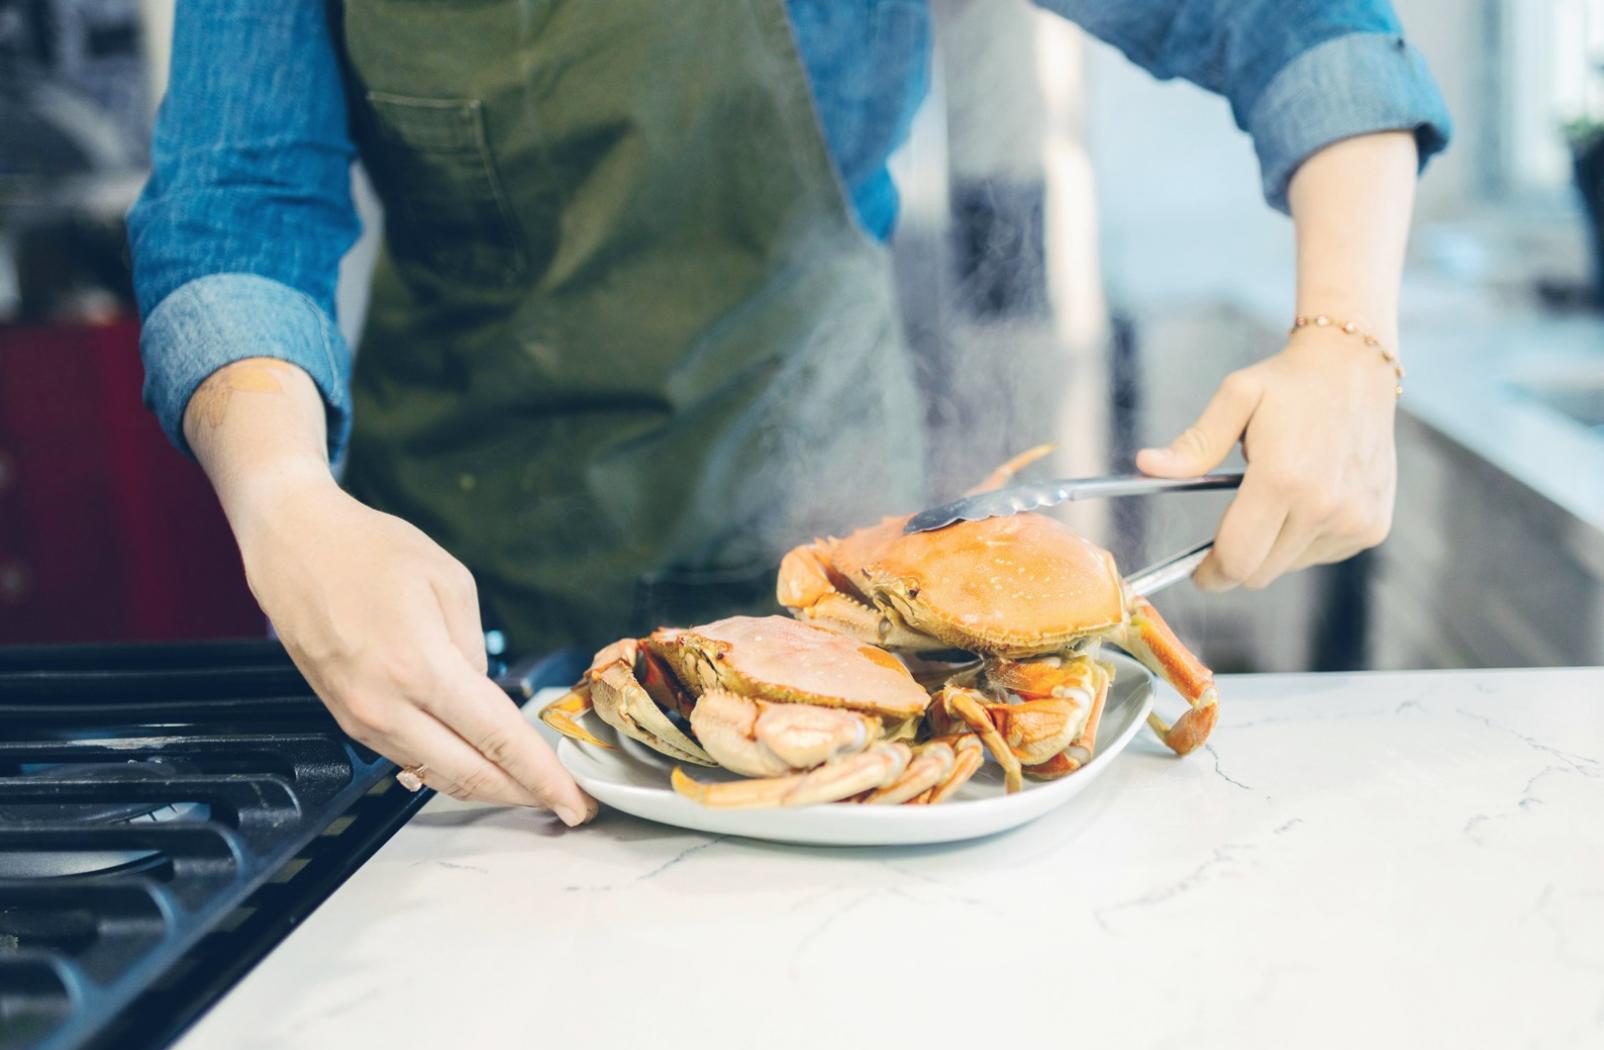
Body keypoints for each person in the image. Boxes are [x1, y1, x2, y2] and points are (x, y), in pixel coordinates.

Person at [128, 1, 1451, 826]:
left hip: (864, 591)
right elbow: (234, 200)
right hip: (450, 614)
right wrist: (284, 493)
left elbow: (1295, 22)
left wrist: (1347, 341)